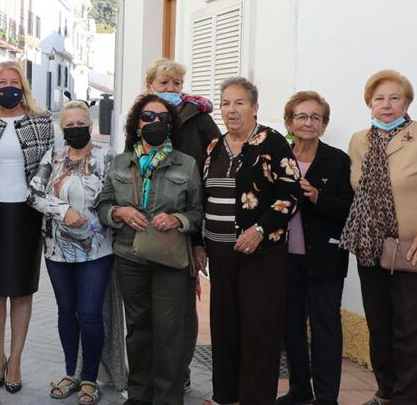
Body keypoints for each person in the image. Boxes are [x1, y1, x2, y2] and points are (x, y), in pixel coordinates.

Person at [340, 70, 417, 405]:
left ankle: (404, 399)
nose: (387, 104)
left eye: (395, 97)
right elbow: (355, 189)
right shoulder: (359, 140)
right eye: (379, 98)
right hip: (369, 248)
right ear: (369, 103)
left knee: (410, 332)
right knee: (380, 328)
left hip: (413, 249)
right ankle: (384, 393)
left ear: (407, 101)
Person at [95, 94, 203, 405]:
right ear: (135, 124)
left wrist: (178, 219)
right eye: (147, 117)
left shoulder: (187, 163)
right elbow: (102, 205)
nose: (153, 123)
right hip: (130, 256)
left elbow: (198, 212)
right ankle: (139, 393)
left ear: (170, 125)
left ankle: (168, 397)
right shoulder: (120, 162)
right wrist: (119, 213)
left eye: (161, 118)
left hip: (170, 259)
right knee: (138, 328)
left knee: (170, 331)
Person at [202, 77, 302, 405]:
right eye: (226, 103)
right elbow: (205, 197)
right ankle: (225, 396)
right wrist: (200, 242)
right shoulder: (214, 148)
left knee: (259, 330)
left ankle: (255, 399)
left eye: (239, 103)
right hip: (219, 252)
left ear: (255, 107)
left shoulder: (272, 143)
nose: (232, 110)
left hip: (261, 253)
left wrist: (259, 229)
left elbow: (291, 193)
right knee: (225, 327)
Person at [0, 61, 55, 393]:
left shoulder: (41, 120)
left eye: (14, 82)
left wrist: (39, 195)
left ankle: (15, 360)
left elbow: (49, 162)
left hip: (26, 213)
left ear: (24, 87)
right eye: (1, 82)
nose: (8, 87)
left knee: (21, 289)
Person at [28, 101, 116, 405]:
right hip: (56, 249)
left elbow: (112, 197)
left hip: (97, 249)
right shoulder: (53, 157)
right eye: (70, 125)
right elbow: (33, 194)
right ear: (62, 128)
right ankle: (70, 373)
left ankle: (90, 378)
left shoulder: (107, 157)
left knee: (90, 314)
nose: (76, 128)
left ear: (90, 125)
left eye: (81, 123)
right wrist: (63, 211)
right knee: (66, 311)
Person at [144, 59, 222, 394]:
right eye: (164, 83)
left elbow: (218, 159)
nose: (171, 90)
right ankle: (151, 368)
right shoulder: (141, 117)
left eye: (176, 83)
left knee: (182, 305)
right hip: (146, 221)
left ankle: (182, 368)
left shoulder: (199, 117)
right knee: (148, 302)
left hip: (186, 221)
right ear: (150, 85)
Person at [277, 91, 354, 405]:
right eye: (301, 117)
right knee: (291, 327)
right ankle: (299, 389)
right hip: (284, 259)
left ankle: (326, 398)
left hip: (324, 260)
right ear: (290, 122)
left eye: (315, 118)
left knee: (325, 329)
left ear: (324, 125)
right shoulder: (279, 157)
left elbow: (350, 209)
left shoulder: (337, 160)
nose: (308, 123)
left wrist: (318, 198)